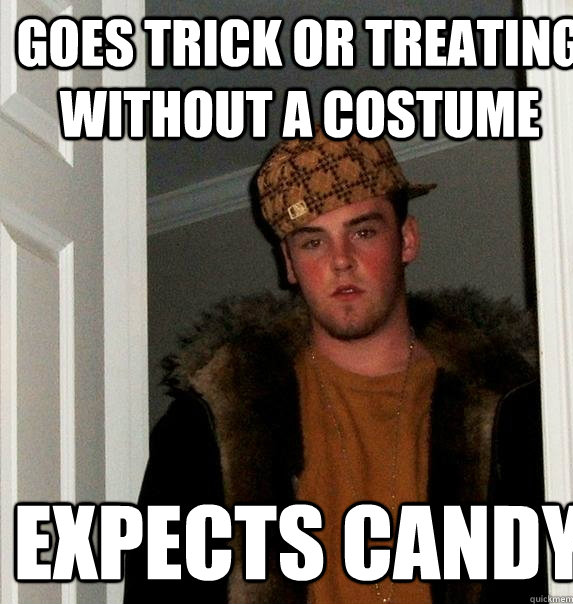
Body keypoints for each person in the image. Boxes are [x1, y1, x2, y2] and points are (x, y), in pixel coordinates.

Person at [124, 128, 544, 603]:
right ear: (289, 263)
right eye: (312, 242)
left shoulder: (515, 409)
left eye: (363, 232)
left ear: (406, 240)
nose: (341, 261)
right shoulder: (210, 422)